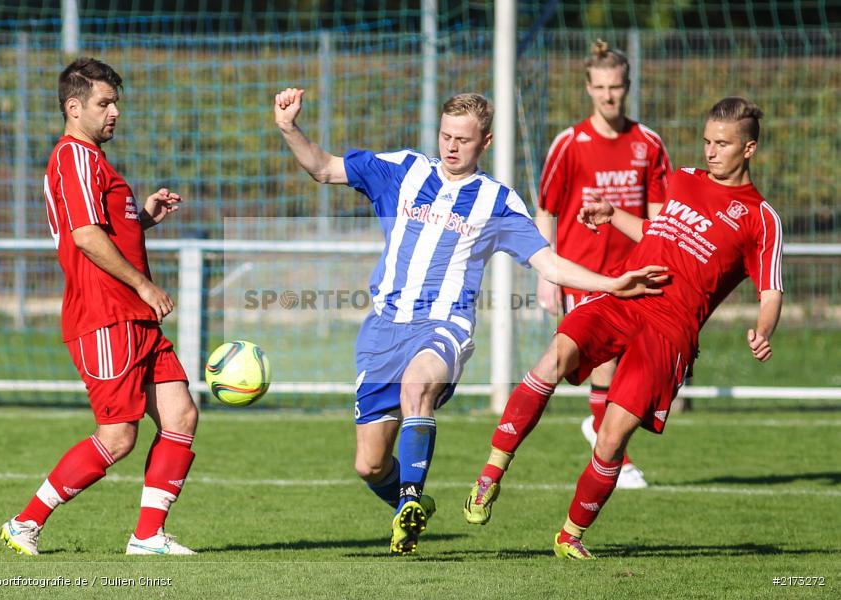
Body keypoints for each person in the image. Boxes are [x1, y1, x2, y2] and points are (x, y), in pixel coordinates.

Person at [274, 87, 668, 554]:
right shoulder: (403, 170)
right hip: (383, 329)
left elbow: (549, 263)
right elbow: (323, 167)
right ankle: (409, 502)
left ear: (486, 142)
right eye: (446, 136)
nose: (451, 146)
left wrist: (613, 283)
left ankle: (410, 501)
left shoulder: (497, 202)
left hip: (444, 325)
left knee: (417, 386)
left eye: (463, 139)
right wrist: (288, 127)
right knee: (370, 464)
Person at [464, 97, 783, 559]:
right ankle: (490, 475)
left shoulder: (760, 217)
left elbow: (771, 290)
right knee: (554, 358)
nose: (711, 152)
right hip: (624, 293)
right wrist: (613, 215)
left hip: (670, 331)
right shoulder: (685, 179)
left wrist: (763, 329)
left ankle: (570, 535)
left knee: (612, 437)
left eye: (723, 144)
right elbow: (660, 232)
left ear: (749, 148)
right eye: (707, 141)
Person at [0, 58, 198, 556]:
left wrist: (143, 217)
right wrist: (145, 286)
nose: (115, 112)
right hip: (105, 316)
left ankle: (148, 536)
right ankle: (25, 522)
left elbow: (105, 230)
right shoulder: (72, 157)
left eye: (116, 103)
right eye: (104, 103)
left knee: (180, 415)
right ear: (74, 107)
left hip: (134, 316)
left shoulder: (95, 161)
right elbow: (85, 237)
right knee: (117, 437)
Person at [535, 39, 672, 489]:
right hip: (584, 273)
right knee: (605, 363)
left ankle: (601, 430)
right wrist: (546, 275)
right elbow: (546, 209)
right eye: (600, 87)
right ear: (588, 88)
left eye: (615, 87)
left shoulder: (647, 143)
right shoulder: (570, 144)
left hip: (635, 271)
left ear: (627, 86)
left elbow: (659, 217)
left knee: (638, 367)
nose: (608, 96)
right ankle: (617, 459)